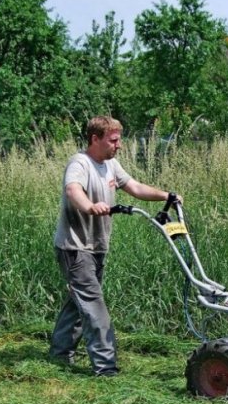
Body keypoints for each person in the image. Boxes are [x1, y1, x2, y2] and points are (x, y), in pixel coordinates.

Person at [49, 116, 179, 376]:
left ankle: (60, 352)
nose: (118, 145)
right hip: (75, 246)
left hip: (96, 246)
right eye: (113, 140)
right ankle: (106, 367)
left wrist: (167, 196)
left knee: (79, 301)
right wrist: (89, 206)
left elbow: (135, 187)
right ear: (95, 139)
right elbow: (73, 190)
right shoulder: (80, 163)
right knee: (94, 305)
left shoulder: (111, 165)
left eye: (119, 139)